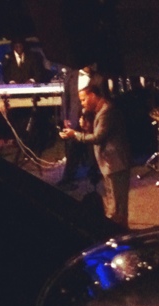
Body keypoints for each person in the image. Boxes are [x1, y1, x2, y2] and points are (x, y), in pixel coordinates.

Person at [59, 84, 131, 229]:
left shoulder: (107, 111)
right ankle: (118, 231)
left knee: (117, 207)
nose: (82, 103)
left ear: (92, 95)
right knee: (113, 202)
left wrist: (75, 134)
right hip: (109, 163)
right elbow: (100, 133)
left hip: (115, 163)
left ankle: (118, 234)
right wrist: (86, 128)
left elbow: (98, 138)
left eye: (84, 99)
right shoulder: (100, 111)